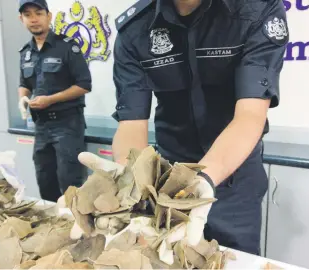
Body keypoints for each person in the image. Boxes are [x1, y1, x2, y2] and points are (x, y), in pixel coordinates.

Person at [79, 0, 289, 256]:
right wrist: (130, 176)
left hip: (235, 177)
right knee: (167, 257)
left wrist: (204, 180)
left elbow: (250, 115)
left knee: (233, 258)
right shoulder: (135, 29)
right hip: (169, 180)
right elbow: (132, 123)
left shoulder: (255, 11)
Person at [17, 0, 92, 202]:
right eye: (28, 14)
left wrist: (50, 100)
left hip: (67, 125)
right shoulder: (25, 53)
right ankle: (53, 228)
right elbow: (24, 83)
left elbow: (85, 84)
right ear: (21, 19)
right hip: (41, 127)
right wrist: (22, 99)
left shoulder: (67, 46)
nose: (34, 19)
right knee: (45, 180)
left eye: (38, 13)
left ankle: (76, 227)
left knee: (70, 183)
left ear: (48, 16)